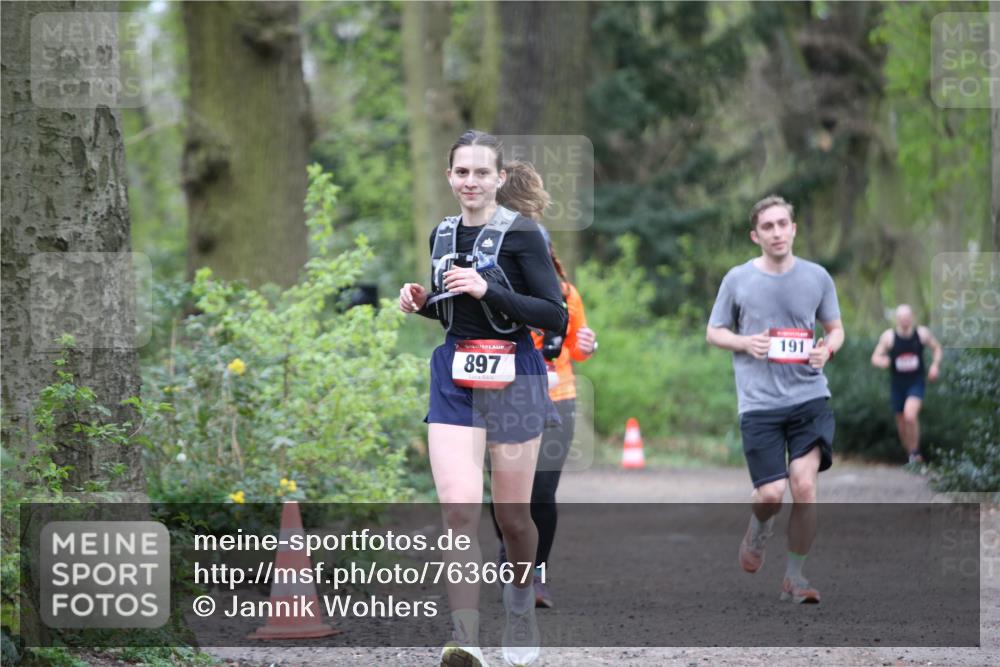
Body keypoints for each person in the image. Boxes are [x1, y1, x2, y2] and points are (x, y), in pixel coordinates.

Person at [399, 131, 567, 667]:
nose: (470, 181)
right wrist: (423, 302)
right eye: (461, 172)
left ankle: (519, 604)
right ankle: (465, 638)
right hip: (454, 374)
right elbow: (454, 308)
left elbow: (553, 315)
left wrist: (487, 288)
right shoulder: (441, 233)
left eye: (480, 172)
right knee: (458, 510)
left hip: (515, 374)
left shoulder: (524, 235)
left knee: (513, 518)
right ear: (449, 177)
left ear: (498, 179)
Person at [706, 194, 844, 604]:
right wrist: (746, 342)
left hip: (809, 397)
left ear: (794, 228)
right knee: (771, 494)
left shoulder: (817, 277)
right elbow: (714, 332)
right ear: (755, 235)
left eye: (783, 223)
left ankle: (795, 577)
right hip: (760, 403)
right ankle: (759, 527)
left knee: (804, 485)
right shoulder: (737, 280)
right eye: (768, 226)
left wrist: (827, 349)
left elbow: (835, 328)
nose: (777, 232)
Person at [489, 161, 597, 609]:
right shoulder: (491, 290)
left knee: (542, 493)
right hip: (502, 396)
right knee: (501, 494)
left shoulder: (567, 294)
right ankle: (510, 555)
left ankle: (536, 575)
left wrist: (588, 343)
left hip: (557, 396)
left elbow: (578, 344)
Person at [870, 304, 942, 464]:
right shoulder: (889, 337)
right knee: (902, 423)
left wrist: (935, 366)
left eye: (907, 317)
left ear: (912, 317)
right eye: (901, 317)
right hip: (897, 385)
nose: (904, 320)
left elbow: (937, 348)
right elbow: (875, 357)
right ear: (896, 319)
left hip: (916, 382)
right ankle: (910, 455)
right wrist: (883, 361)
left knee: (910, 415)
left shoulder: (922, 334)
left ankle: (916, 453)